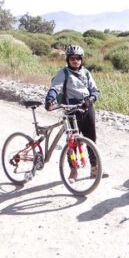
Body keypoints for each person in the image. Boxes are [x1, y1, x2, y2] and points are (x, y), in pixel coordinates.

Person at [45, 45, 101, 180]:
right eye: (72, 58)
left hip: (86, 108)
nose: (75, 61)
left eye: (78, 58)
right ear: (68, 60)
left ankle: (94, 169)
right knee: (72, 142)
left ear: (81, 59)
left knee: (91, 139)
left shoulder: (86, 73)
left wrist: (91, 99)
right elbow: (55, 87)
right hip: (71, 110)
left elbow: (95, 90)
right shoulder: (63, 73)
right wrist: (50, 98)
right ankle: (73, 171)